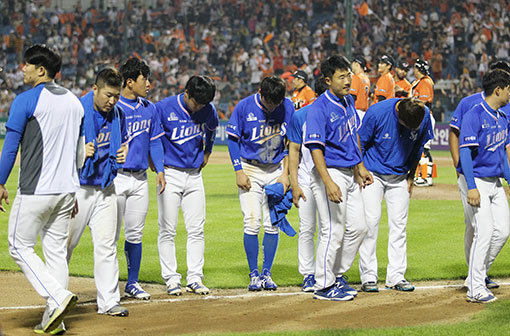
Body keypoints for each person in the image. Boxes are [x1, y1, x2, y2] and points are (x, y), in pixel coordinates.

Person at [0, 44, 81, 334]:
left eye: (27, 65)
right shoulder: (74, 101)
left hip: (36, 189)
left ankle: (57, 298)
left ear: (41, 70)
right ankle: (53, 319)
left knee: (18, 245)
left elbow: (10, 149)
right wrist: (75, 187)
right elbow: (79, 151)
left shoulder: (25, 100)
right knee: (56, 252)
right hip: (66, 191)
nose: (22, 69)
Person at [304, 55, 371, 301]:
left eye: (348, 75)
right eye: (341, 77)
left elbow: (354, 136)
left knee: (360, 227)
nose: (347, 81)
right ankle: (322, 285)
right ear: (328, 80)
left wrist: (360, 166)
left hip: (349, 172)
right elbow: (315, 149)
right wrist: (328, 181)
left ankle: (335, 275)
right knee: (333, 230)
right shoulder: (319, 108)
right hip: (329, 172)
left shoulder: (348, 102)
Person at [67, 68, 130, 317]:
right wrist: (79, 152)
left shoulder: (118, 114)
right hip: (78, 189)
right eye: (107, 95)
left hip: (106, 186)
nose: (112, 101)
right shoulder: (77, 111)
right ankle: (55, 298)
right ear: (95, 89)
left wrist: (121, 155)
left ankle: (108, 301)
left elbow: (119, 144)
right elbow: (59, 150)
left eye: (116, 96)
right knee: (65, 245)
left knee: (106, 246)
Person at [357, 97, 433, 293]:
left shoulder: (422, 116)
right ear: (399, 115)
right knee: (370, 224)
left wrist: (411, 175)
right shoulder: (377, 112)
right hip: (373, 174)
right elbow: (360, 143)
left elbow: (418, 148)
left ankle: (396, 276)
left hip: (400, 176)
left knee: (399, 226)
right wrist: (361, 170)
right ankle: (368, 276)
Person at [226, 76, 294, 291]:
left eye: (277, 102)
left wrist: (287, 174)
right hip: (250, 168)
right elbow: (232, 139)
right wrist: (238, 170)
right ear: (260, 93)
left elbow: (289, 142)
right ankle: (253, 273)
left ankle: (267, 273)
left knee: (272, 224)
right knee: (252, 222)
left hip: (276, 169)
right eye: (269, 102)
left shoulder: (287, 106)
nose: (273, 107)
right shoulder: (244, 106)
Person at [448, 60, 510, 291]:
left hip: (494, 183)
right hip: (478, 181)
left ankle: (478, 274)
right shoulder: (474, 112)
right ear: (498, 89)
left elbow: (502, 154)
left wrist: (509, 180)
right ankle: (475, 287)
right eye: (508, 88)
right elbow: (464, 150)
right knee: (481, 231)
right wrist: (470, 184)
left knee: (502, 231)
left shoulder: (502, 117)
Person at [155, 75, 218, 296]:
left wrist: (208, 152)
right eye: (197, 102)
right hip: (170, 173)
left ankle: (194, 277)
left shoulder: (208, 110)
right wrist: (158, 168)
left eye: (204, 103)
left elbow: (211, 131)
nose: (200, 107)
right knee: (168, 229)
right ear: (187, 93)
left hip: (194, 176)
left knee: (197, 229)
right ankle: (171, 278)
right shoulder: (163, 108)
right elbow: (153, 139)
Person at [115, 58, 165, 300]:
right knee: (109, 235)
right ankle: (109, 284)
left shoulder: (149, 107)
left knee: (135, 234)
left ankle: (132, 283)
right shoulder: (114, 108)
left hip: (140, 178)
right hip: (115, 179)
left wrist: (161, 170)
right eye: (145, 79)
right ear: (129, 81)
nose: (149, 84)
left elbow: (154, 140)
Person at [288, 77, 328, 292]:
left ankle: (326, 272)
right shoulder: (301, 115)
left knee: (328, 228)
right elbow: (293, 151)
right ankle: (308, 274)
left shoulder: (337, 113)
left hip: (330, 179)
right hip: (305, 178)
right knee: (307, 228)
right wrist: (294, 183)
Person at [412, 59, 436, 187]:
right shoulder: (420, 82)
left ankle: (426, 177)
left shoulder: (425, 82)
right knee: (423, 149)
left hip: (425, 117)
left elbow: (424, 101)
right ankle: (425, 176)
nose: (414, 70)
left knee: (423, 149)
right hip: (422, 117)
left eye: (415, 68)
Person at [350, 56, 370, 120]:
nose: (351, 65)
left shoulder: (356, 77)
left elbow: (352, 96)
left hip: (356, 111)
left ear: (357, 64)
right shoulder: (366, 78)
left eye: (352, 63)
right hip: (364, 112)